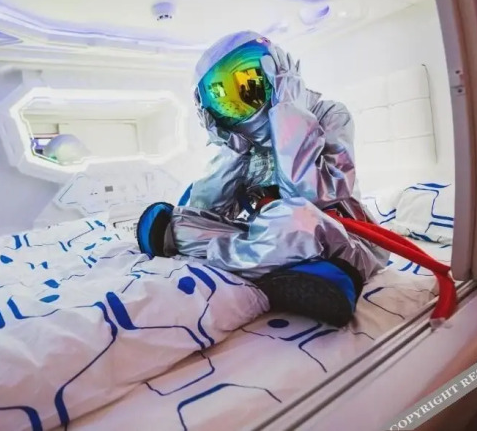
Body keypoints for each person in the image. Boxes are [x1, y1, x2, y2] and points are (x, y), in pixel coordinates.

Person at [136, 31, 388, 327]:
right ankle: (279, 269)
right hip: (269, 236)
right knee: (180, 222)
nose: (242, 103)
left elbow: (309, 196)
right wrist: (233, 150)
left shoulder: (330, 113)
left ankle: (304, 272)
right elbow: (206, 209)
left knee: (294, 218)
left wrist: (287, 112)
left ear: (276, 75)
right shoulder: (243, 143)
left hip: (340, 236)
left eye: (248, 86)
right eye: (225, 100)